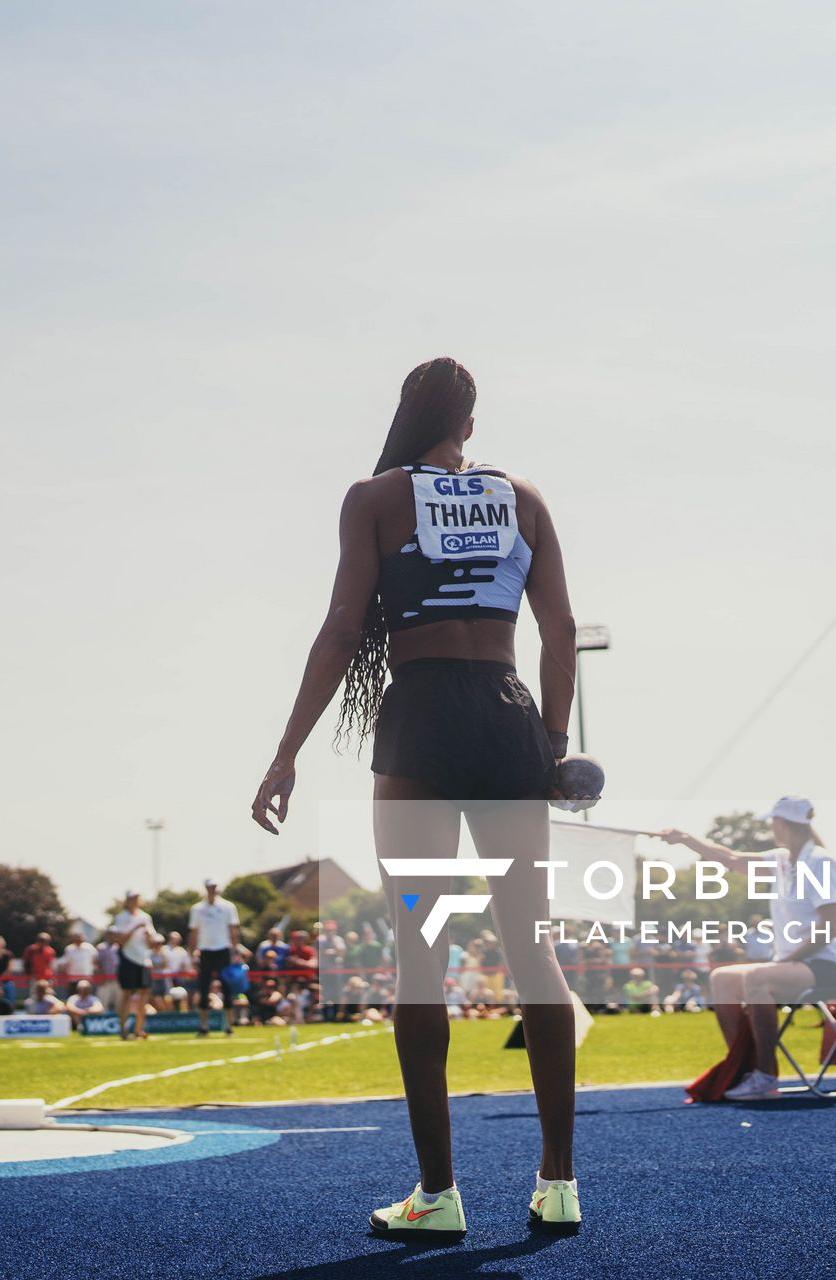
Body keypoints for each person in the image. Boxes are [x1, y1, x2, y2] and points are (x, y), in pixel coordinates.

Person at [249, 358, 581, 1238]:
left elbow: (340, 629)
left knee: (421, 955)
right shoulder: (526, 498)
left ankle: (436, 1197)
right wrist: (552, 744)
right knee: (532, 951)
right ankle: (559, 1183)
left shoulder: (374, 497)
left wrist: (286, 753)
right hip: (509, 718)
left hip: (420, 721)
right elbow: (562, 631)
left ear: (409, 416)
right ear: (469, 424)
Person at [661, 795, 836, 1103]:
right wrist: (686, 839)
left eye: (773, 822)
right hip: (795, 965)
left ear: (782, 823)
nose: (771, 827)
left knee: (757, 978)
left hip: (827, 967)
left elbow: (828, 927)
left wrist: (786, 961)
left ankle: (766, 1076)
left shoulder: (819, 861)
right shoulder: (782, 859)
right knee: (721, 979)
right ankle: (743, 1069)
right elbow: (731, 858)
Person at [188, 880, 241, 1038]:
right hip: (205, 952)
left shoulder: (228, 907)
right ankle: (204, 1026)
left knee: (227, 989)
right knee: (203, 989)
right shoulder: (197, 909)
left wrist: (235, 949)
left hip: (223, 951)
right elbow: (193, 932)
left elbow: (233, 930)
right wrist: (192, 953)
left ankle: (229, 1026)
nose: (212, 890)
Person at [110, 891, 163, 1040]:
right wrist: (135, 928)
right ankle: (123, 1029)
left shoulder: (145, 917)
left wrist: (149, 937)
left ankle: (139, 1029)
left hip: (143, 960)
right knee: (126, 995)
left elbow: (152, 943)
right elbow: (121, 940)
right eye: (131, 899)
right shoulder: (121, 917)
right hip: (128, 959)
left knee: (143, 996)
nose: (134, 901)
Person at [58, 927, 98, 995]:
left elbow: (95, 960)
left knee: (87, 997)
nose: (78, 940)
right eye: (76, 938)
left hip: (87, 977)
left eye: (80, 938)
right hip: (73, 979)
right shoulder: (69, 949)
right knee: (73, 996)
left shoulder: (89, 947)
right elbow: (64, 962)